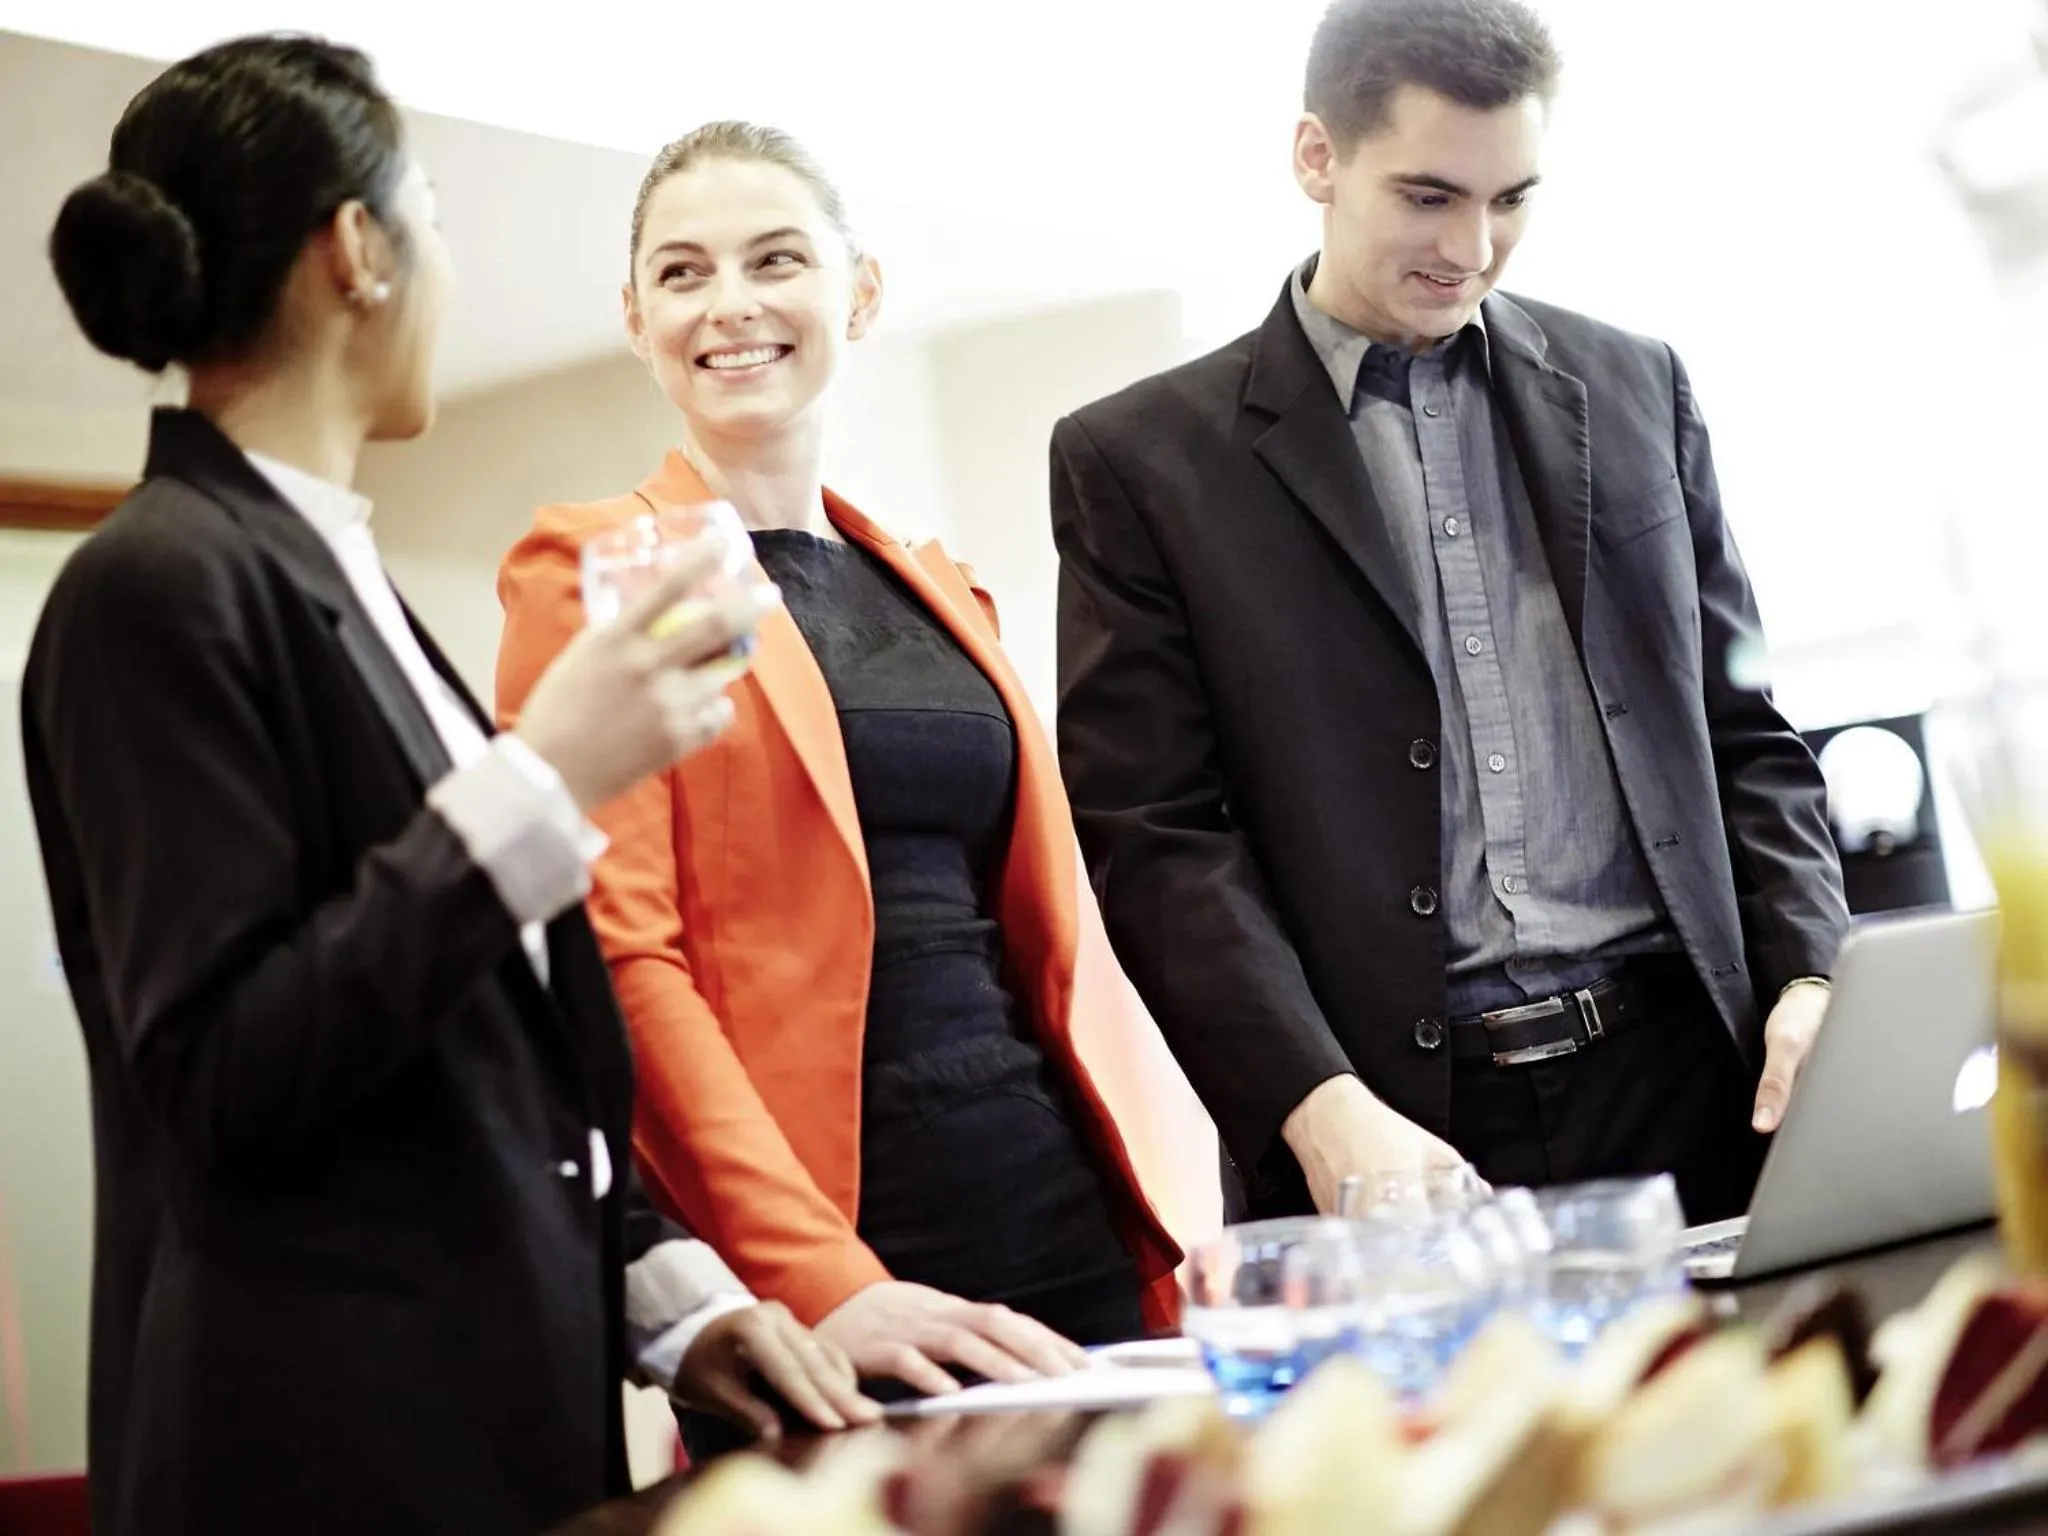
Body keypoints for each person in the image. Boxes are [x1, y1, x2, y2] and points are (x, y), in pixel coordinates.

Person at [24, 38, 872, 1536]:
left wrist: (673, 1301)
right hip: (320, 1456)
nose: (450, 275)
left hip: (499, 1425)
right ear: (359, 248)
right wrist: (552, 775)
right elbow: (231, 1073)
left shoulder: (331, 571)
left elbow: (461, 1054)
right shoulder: (150, 583)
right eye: (433, 217)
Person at [1049, 0, 1850, 1226]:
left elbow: (1742, 728)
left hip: (1692, 1080)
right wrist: (1313, 1102)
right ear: (1317, 157)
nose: (1472, 248)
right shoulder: (1138, 459)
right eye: (1427, 196)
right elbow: (1156, 838)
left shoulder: (1638, 388)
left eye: (1510, 199)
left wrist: (1808, 974)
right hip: (1389, 1128)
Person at [494, 122, 1182, 1415]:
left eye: (775, 259)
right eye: (684, 273)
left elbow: (1040, 936)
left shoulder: (938, 588)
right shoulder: (594, 570)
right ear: (636, 316)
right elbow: (618, 960)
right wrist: (815, 1277)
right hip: (836, 1254)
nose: (731, 304)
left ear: (857, 294)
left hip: (1059, 1201)